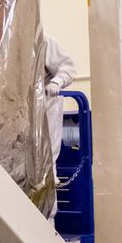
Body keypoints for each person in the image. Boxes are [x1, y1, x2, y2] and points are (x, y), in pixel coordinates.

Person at [43, 35, 76, 217]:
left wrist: (57, 82)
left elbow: (68, 68)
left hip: (45, 110)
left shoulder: (42, 41)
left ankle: (47, 224)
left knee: (45, 165)